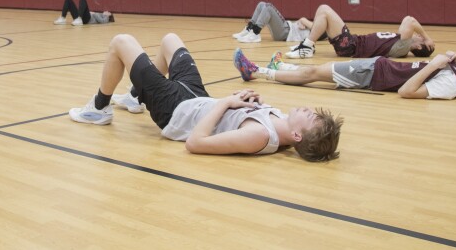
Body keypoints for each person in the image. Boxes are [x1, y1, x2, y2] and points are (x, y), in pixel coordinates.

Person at [69, 33, 342, 161]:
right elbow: (233, 115)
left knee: (120, 42)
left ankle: (99, 109)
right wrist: (244, 99)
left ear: (297, 136)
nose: (308, 109)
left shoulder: (258, 136)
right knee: (169, 40)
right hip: (197, 98)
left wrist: (226, 102)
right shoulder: (280, 122)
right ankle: (134, 96)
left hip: (174, 110)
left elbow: (196, 143)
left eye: (310, 117)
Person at [233, 48, 456, 101]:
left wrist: (436, 64)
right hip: (377, 67)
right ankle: (279, 67)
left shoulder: (451, 86)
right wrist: (449, 59)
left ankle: (257, 72)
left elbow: (408, 92)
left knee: (313, 72)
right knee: (316, 72)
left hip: (373, 75)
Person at [285, 4, 434, 59]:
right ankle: (308, 43)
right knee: (322, 11)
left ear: (419, 46)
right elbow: (408, 22)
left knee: (324, 9)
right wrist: (424, 39)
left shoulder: (403, 46)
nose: (419, 35)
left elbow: (410, 20)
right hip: (351, 43)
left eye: (421, 39)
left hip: (351, 45)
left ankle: (307, 46)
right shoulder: (402, 42)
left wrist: (427, 38)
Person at [232, 1, 313, 43]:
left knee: (269, 7)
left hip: (286, 32)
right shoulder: (315, 27)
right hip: (285, 30)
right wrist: (301, 22)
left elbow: (304, 21)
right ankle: (249, 29)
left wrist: (302, 20)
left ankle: (255, 33)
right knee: (261, 4)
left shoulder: (319, 29)